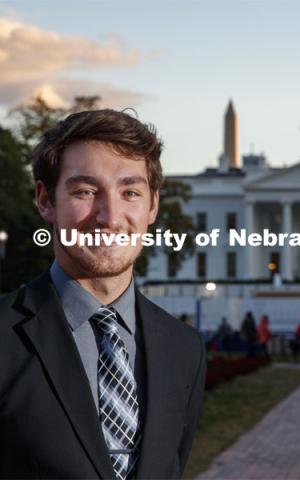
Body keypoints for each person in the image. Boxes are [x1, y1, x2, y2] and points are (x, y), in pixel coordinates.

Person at [0, 110, 206, 479]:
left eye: (130, 192)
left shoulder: (184, 349)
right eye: (86, 191)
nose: (110, 217)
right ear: (46, 201)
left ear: (152, 205)